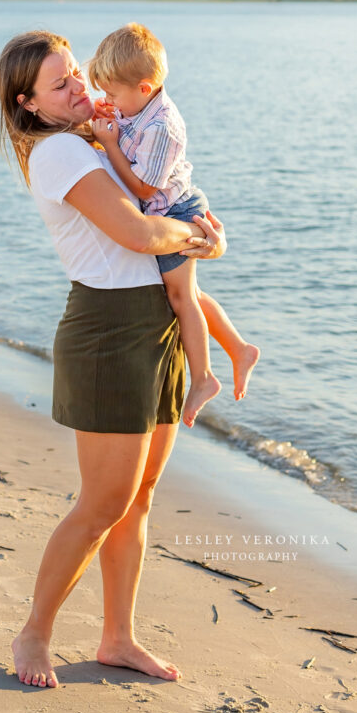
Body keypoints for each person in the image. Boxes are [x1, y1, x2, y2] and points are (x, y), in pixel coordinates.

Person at [0, 29, 226, 690]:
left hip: (156, 326)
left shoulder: (93, 137)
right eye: (62, 84)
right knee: (103, 504)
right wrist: (201, 236)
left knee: (139, 499)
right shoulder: (59, 151)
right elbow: (137, 230)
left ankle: (117, 637)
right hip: (108, 333)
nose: (81, 89)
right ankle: (34, 631)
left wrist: (198, 236)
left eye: (76, 74)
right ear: (30, 103)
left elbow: (159, 201)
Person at [87, 22, 259, 428]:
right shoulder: (137, 105)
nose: (108, 100)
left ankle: (202, 379)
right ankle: (238, 348)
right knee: (192, 294)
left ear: (144, 88)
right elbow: (124, 124)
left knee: (181, 298)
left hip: (176, 210)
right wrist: (108, 116)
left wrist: (109, 143)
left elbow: (145, 186)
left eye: (113, 95)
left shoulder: (162, 125)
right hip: (169, 207)